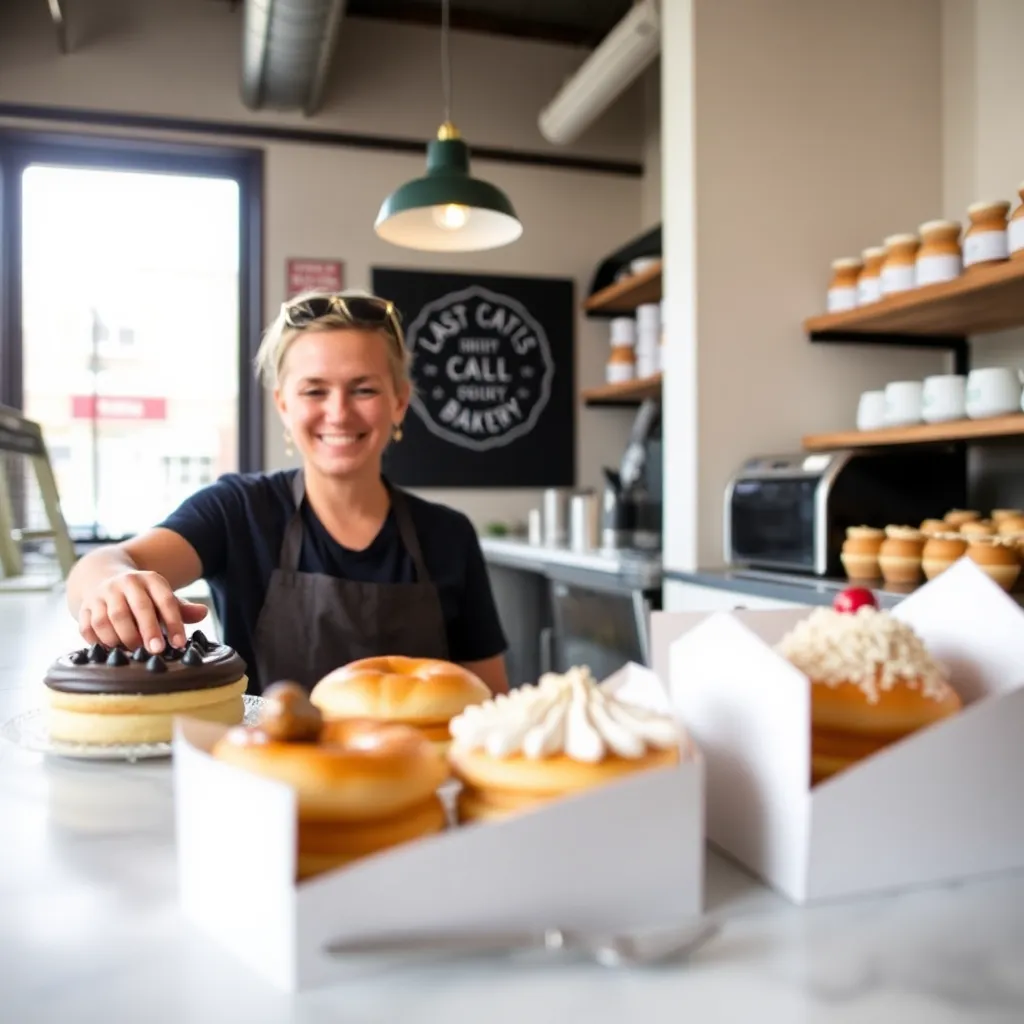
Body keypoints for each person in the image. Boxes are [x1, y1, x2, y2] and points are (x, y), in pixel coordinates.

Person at [66, 290, 510, 697]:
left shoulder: (448, 534)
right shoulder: (238, 510)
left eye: (365, 389)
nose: (338, 412)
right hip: (267, 775)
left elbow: (488, 698)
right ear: (283, 404)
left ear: (399, 401)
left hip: (415, 776)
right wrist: (111, 585)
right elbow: (102, 565)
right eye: (314, 390)